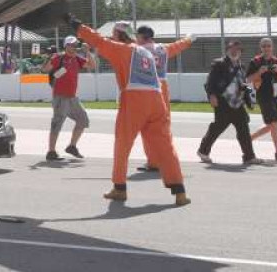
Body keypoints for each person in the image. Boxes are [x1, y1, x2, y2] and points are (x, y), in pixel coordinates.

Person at [70, 16, 190, 206]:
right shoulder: (146, 51)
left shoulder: (121, 49)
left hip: (135, 99)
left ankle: (119, 188)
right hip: (157, 100)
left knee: (122, 144)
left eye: (114, 35)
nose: (112, 38)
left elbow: (97, 40)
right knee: (166, 146)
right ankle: (180, 192)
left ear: (119, 34)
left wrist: (75, 24)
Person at [135, 25, 194, 172]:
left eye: (137, 36)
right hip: (162, 87)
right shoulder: (162, 48)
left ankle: (153, 162)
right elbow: (178, 45)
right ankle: (168, 159)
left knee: (147, 127)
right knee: (163, 126)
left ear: (142, 37)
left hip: (146, 87)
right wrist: (188, 39)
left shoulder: (136, 49)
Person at [197, 40, 263, 166]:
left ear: (240, 52)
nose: (234, 51)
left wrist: (247, 94)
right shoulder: (219, 63)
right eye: (232, 49)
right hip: (223, 102)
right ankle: (202, 151)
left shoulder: (241, 66)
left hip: (237, 102)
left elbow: (242, 82)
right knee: (217, 128)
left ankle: (249, 156)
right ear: (227, 50)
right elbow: (210, 82)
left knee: (243, 129)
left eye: (237, 50)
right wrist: (211, 95)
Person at [42, 36, 94, 161]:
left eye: (76, 44)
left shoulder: (78, 59)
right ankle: (51, 151)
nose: (74, 46)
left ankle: (72, 146)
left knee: (83, 120)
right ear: (66, 46)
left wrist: (88, 52)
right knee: (57, 123)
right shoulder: (59, 58)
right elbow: (45, 69)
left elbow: (92, 65)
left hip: (72, 97)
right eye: (71, 44)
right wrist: (50, 58)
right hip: (60, 96)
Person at [248, 37, 277, 162]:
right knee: (274, 124)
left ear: (272, 47)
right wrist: (259, 72)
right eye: (264, 46)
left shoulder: (276, 60)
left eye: (268, 45)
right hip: (263, 96)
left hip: (275, 96)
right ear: (260, 48)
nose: (266, 48)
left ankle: (249, 139)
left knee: (273, 125)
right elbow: (248, 79)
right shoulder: (255, 61)